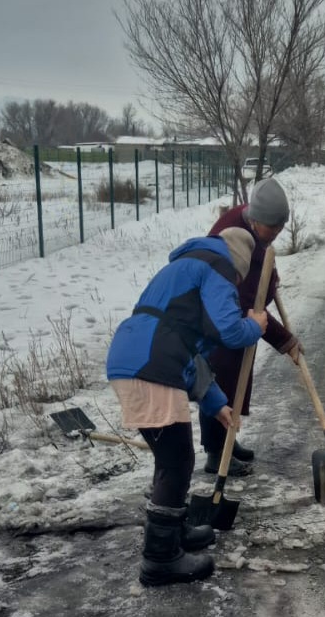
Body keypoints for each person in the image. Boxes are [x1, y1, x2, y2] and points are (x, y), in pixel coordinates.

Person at [107, 227, 267, 587]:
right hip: (152, 365)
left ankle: (174, 532)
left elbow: (185, 349)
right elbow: (230, 330)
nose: (233, 287)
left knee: (170, 457)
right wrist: (254, 326)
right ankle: (160, 558)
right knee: (176, 461)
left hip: (134, 356)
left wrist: (217, 404)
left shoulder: (184, 267)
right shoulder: (219, 265)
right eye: (237, 281)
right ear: (238, 266)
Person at [200, 176, 302, 475]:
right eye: (274, 228)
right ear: (256, 220)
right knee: (220, 382)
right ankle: (216, 453)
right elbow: (245, 305)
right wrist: (285, 341)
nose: (277, 234)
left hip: (238, 319)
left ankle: (229, 442)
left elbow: (262, 263)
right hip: (219, 322)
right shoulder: (231, 234)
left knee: (236, 381)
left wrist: (271, 279)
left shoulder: (256, 228)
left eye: (281, 228)